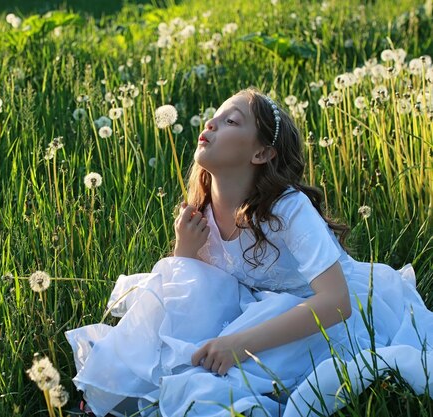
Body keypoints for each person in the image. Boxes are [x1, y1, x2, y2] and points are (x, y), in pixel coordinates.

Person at [65, 88, 433, 417]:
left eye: (231, 120)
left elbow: (337, 303)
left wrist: (240, 344)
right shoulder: (202, 210)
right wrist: (185, 253)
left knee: (211, 382)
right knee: (166, 299)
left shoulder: (288, 209)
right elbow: (200, 294)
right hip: (252, 305)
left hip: (318, 317)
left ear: (261, 152)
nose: (211, 122)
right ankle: (122, 398)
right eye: (216, 115)